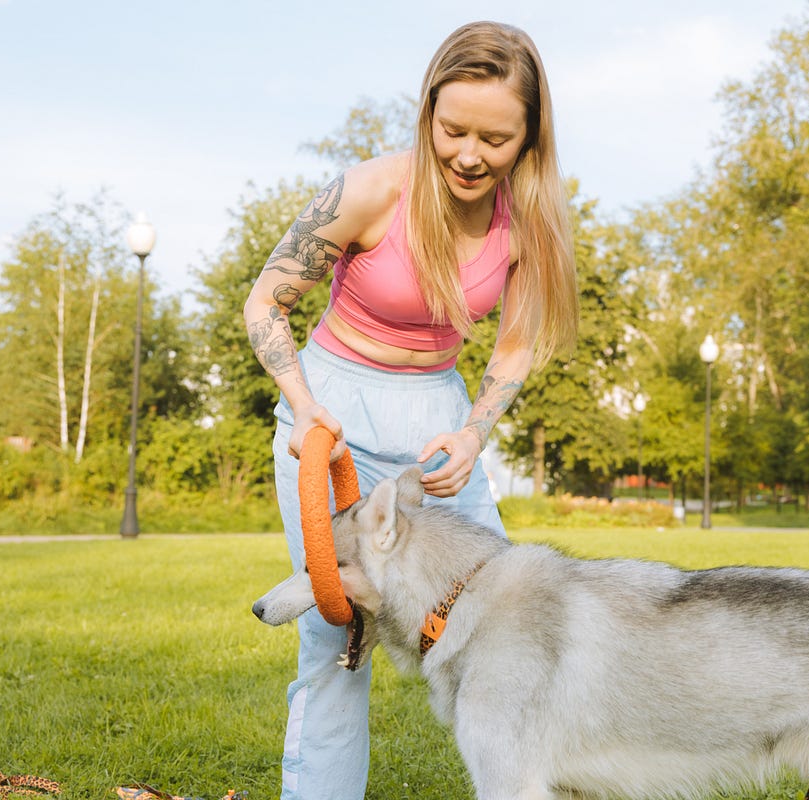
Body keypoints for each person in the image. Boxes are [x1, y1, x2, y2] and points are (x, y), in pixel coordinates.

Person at [242, 20, 577, 800]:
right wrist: (304, 410)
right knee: (336, 636)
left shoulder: (528, 225)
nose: (468, 154)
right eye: (453, 129)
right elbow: (266, 303)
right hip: (333, 409)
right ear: (427, 112)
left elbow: (515, 347)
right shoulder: (370, 191)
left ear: (530, 137)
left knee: (510, 619)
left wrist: (473, 432)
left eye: (495, 138)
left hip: (437, 420)